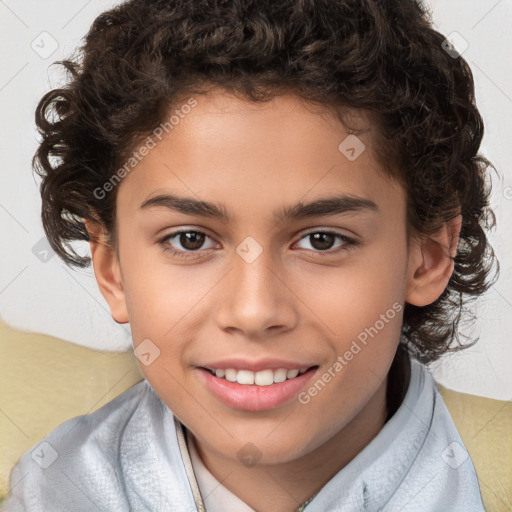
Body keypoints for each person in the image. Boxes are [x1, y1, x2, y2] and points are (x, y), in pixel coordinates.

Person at [3, 0, 498, 510]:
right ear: (112, 268)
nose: (254, 311)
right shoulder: (49, 490)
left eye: (322, 240)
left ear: (429, 256)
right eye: (190, 239)